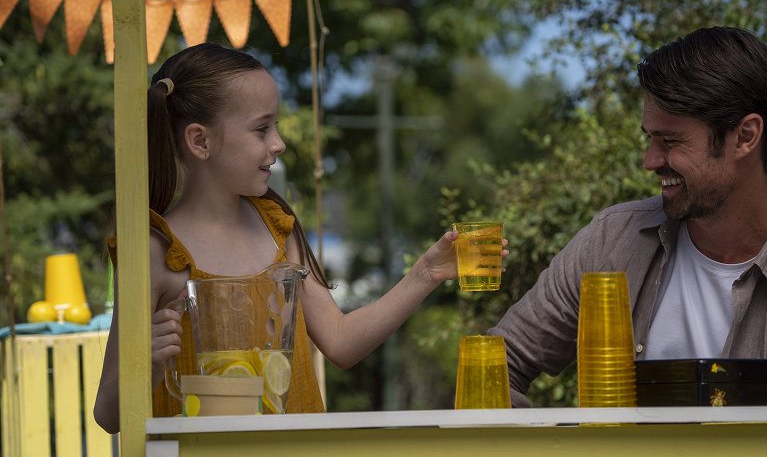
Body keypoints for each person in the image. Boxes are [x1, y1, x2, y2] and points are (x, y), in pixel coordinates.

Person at [489, 27, 767, 457]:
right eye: (650, 138)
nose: (650, 160)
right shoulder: (611, 241)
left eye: (671, 141)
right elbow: (498, 367)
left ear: (745, 136)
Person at [94, 43, 506, 433]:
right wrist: (145, 367)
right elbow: (108, 415)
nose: (279, 143)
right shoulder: (153, 252)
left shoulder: (279, 229)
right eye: (261, 129)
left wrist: (426, 273)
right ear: (200, 141)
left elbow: (341, 343)